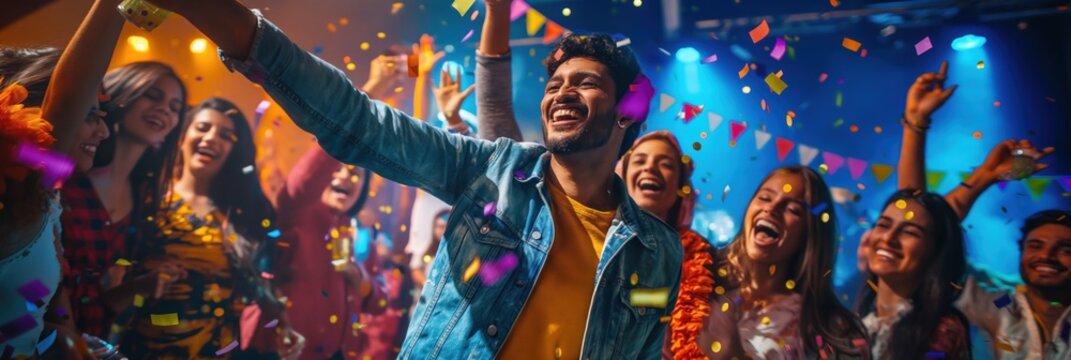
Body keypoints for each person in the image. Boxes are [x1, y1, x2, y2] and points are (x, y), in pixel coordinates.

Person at [146, 1, 683, 358]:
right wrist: (215, 13)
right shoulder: (492, 172)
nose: (561, 92)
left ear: (626, 111)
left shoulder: (657, 251)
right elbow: (359, 121)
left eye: (585, 83)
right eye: (554, 83)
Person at [875, 61, 1065, 359]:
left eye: (1065, 249)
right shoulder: (999, 305)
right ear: (1020, 252)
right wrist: (916, 125)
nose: (1046, 256)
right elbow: (927, 228)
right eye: (1035, 245)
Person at [119, 98, 303, 359]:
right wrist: (141, 284)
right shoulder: (148, 198)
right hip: (144, 349)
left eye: (225, 135)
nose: (211, 138)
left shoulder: (239, 217)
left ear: (234, 151)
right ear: (182, 136)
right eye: (203, 128)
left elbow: (258, 282)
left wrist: (283, 324)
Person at [0, 0, 120, 357]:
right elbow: (65, 103)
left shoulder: (45, 200)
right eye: (90, 113)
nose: (103, 131)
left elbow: (25, 314)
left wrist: (63, 341)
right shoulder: (17, 191)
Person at [272, 56, 401, 360]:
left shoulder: (360, 233)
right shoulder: (298, 211)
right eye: (337, 169)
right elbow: (311, 171)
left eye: (355, 173)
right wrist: (371, 90)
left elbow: (381, 303)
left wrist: (362, 283)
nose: (345, 177)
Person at [856, 63, 973, 359]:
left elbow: (923, 209)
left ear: (935, 252)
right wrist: (914, 121)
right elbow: (915, 205)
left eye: (909, 232)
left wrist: (915, 125)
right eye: (883, 225)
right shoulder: (857, 323)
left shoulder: (941, 331)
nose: (888, 238)